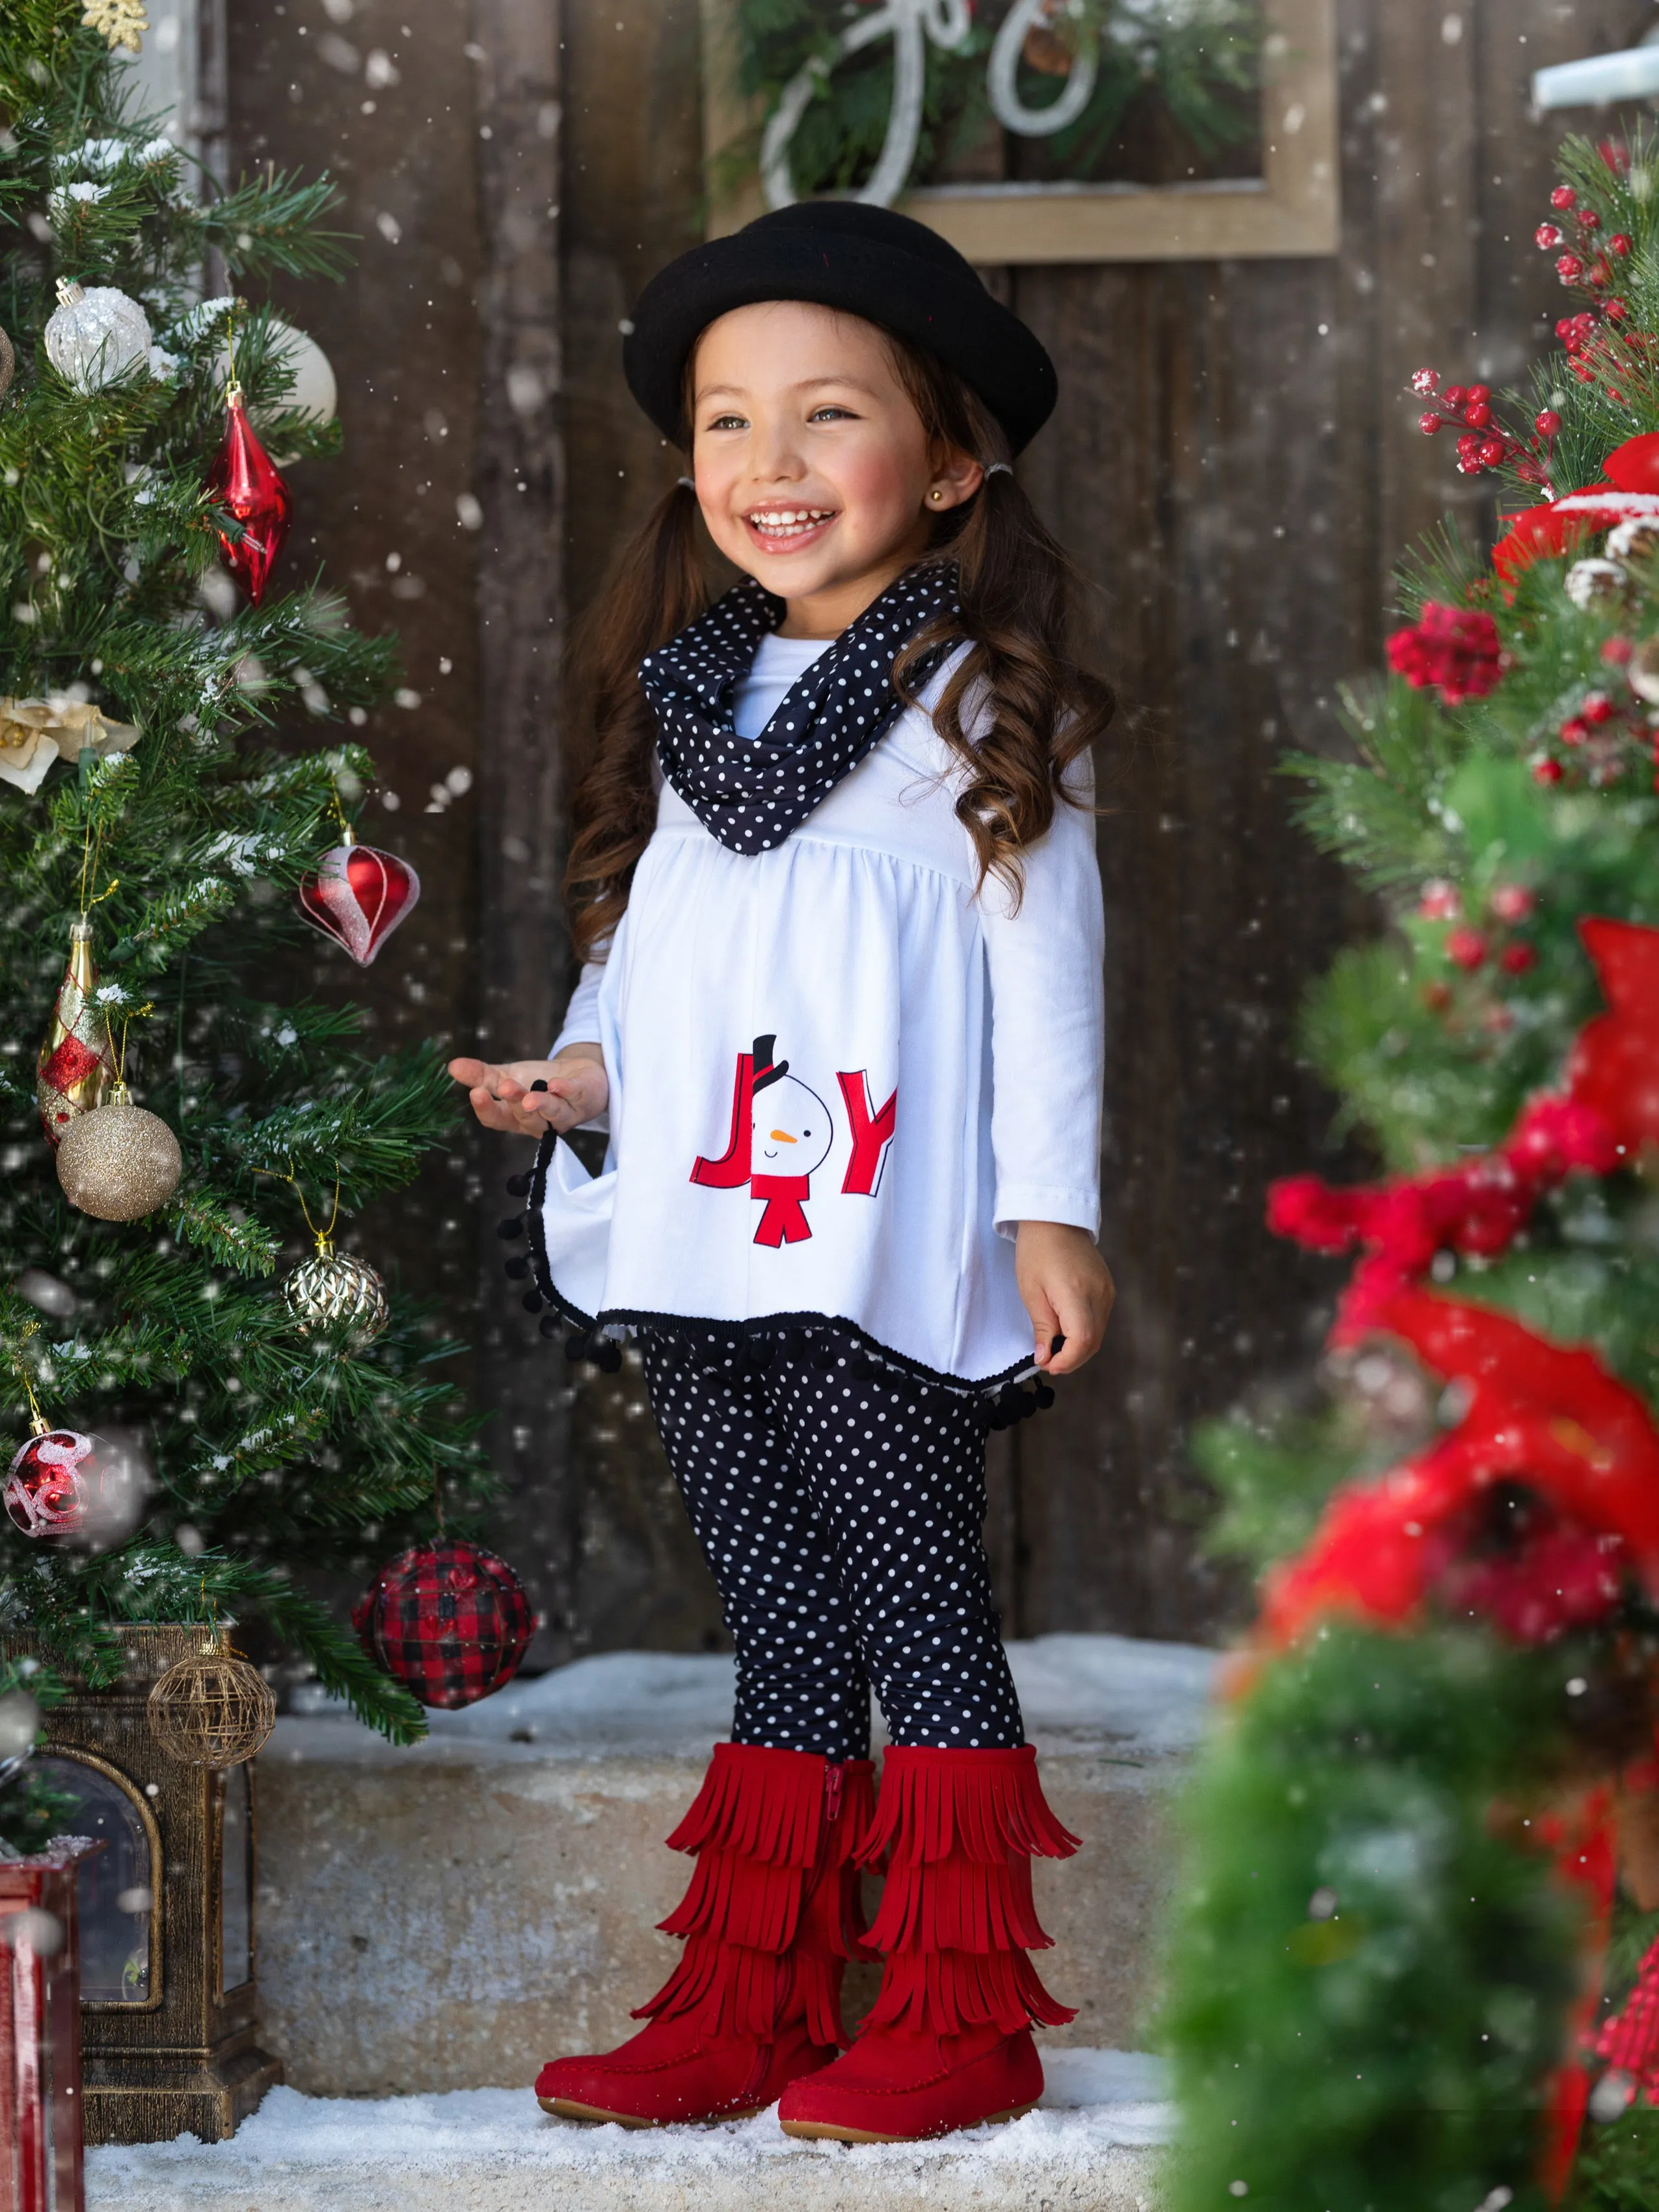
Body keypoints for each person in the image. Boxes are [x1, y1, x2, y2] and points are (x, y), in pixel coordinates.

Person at [450, 199, 1114, 2144]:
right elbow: (655, 964)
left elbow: (1045, 987)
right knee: (777, 1615)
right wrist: (577, 1078)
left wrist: (1048, 1209)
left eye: (829, 417)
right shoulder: (687, 705)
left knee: (912, 1609)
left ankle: (960, 2013)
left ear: (952, 461)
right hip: (704, 1236)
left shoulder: (982, 712)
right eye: (728, 425)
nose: (770, 464)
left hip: (879, 1242)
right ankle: (745, 2001)